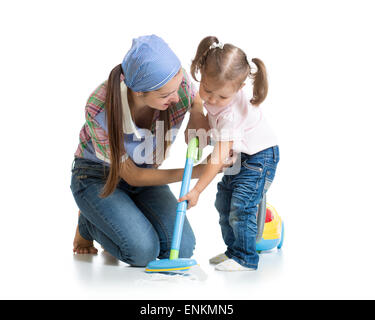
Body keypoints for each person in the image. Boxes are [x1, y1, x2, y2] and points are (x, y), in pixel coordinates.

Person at [70, 35, 208, 267]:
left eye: (178, 87)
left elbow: (194, 99)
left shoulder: (176, 84)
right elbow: (132, 176)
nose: (176, 99)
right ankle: (89, 222)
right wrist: (197, 171)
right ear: (138, 92)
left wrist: (196, 113)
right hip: (98, 176)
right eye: (165, 95)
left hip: (145, 173)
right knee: (142, 252)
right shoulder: (100, 108)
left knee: (181, 248)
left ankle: (117, 218)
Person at [179, 36, 280, 271]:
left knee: (241, 205)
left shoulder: (230, 114)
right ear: (201, 74)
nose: (213, 99)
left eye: (222, 96)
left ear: (239, 88)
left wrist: (196, 190)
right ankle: (233, 251)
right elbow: (197, 98)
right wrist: (198, 117)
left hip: (259, 157)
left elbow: (219, 155)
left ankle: (245, 257)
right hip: (240, 155)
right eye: (207, 89)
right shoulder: (214, 93)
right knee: (224, 202)